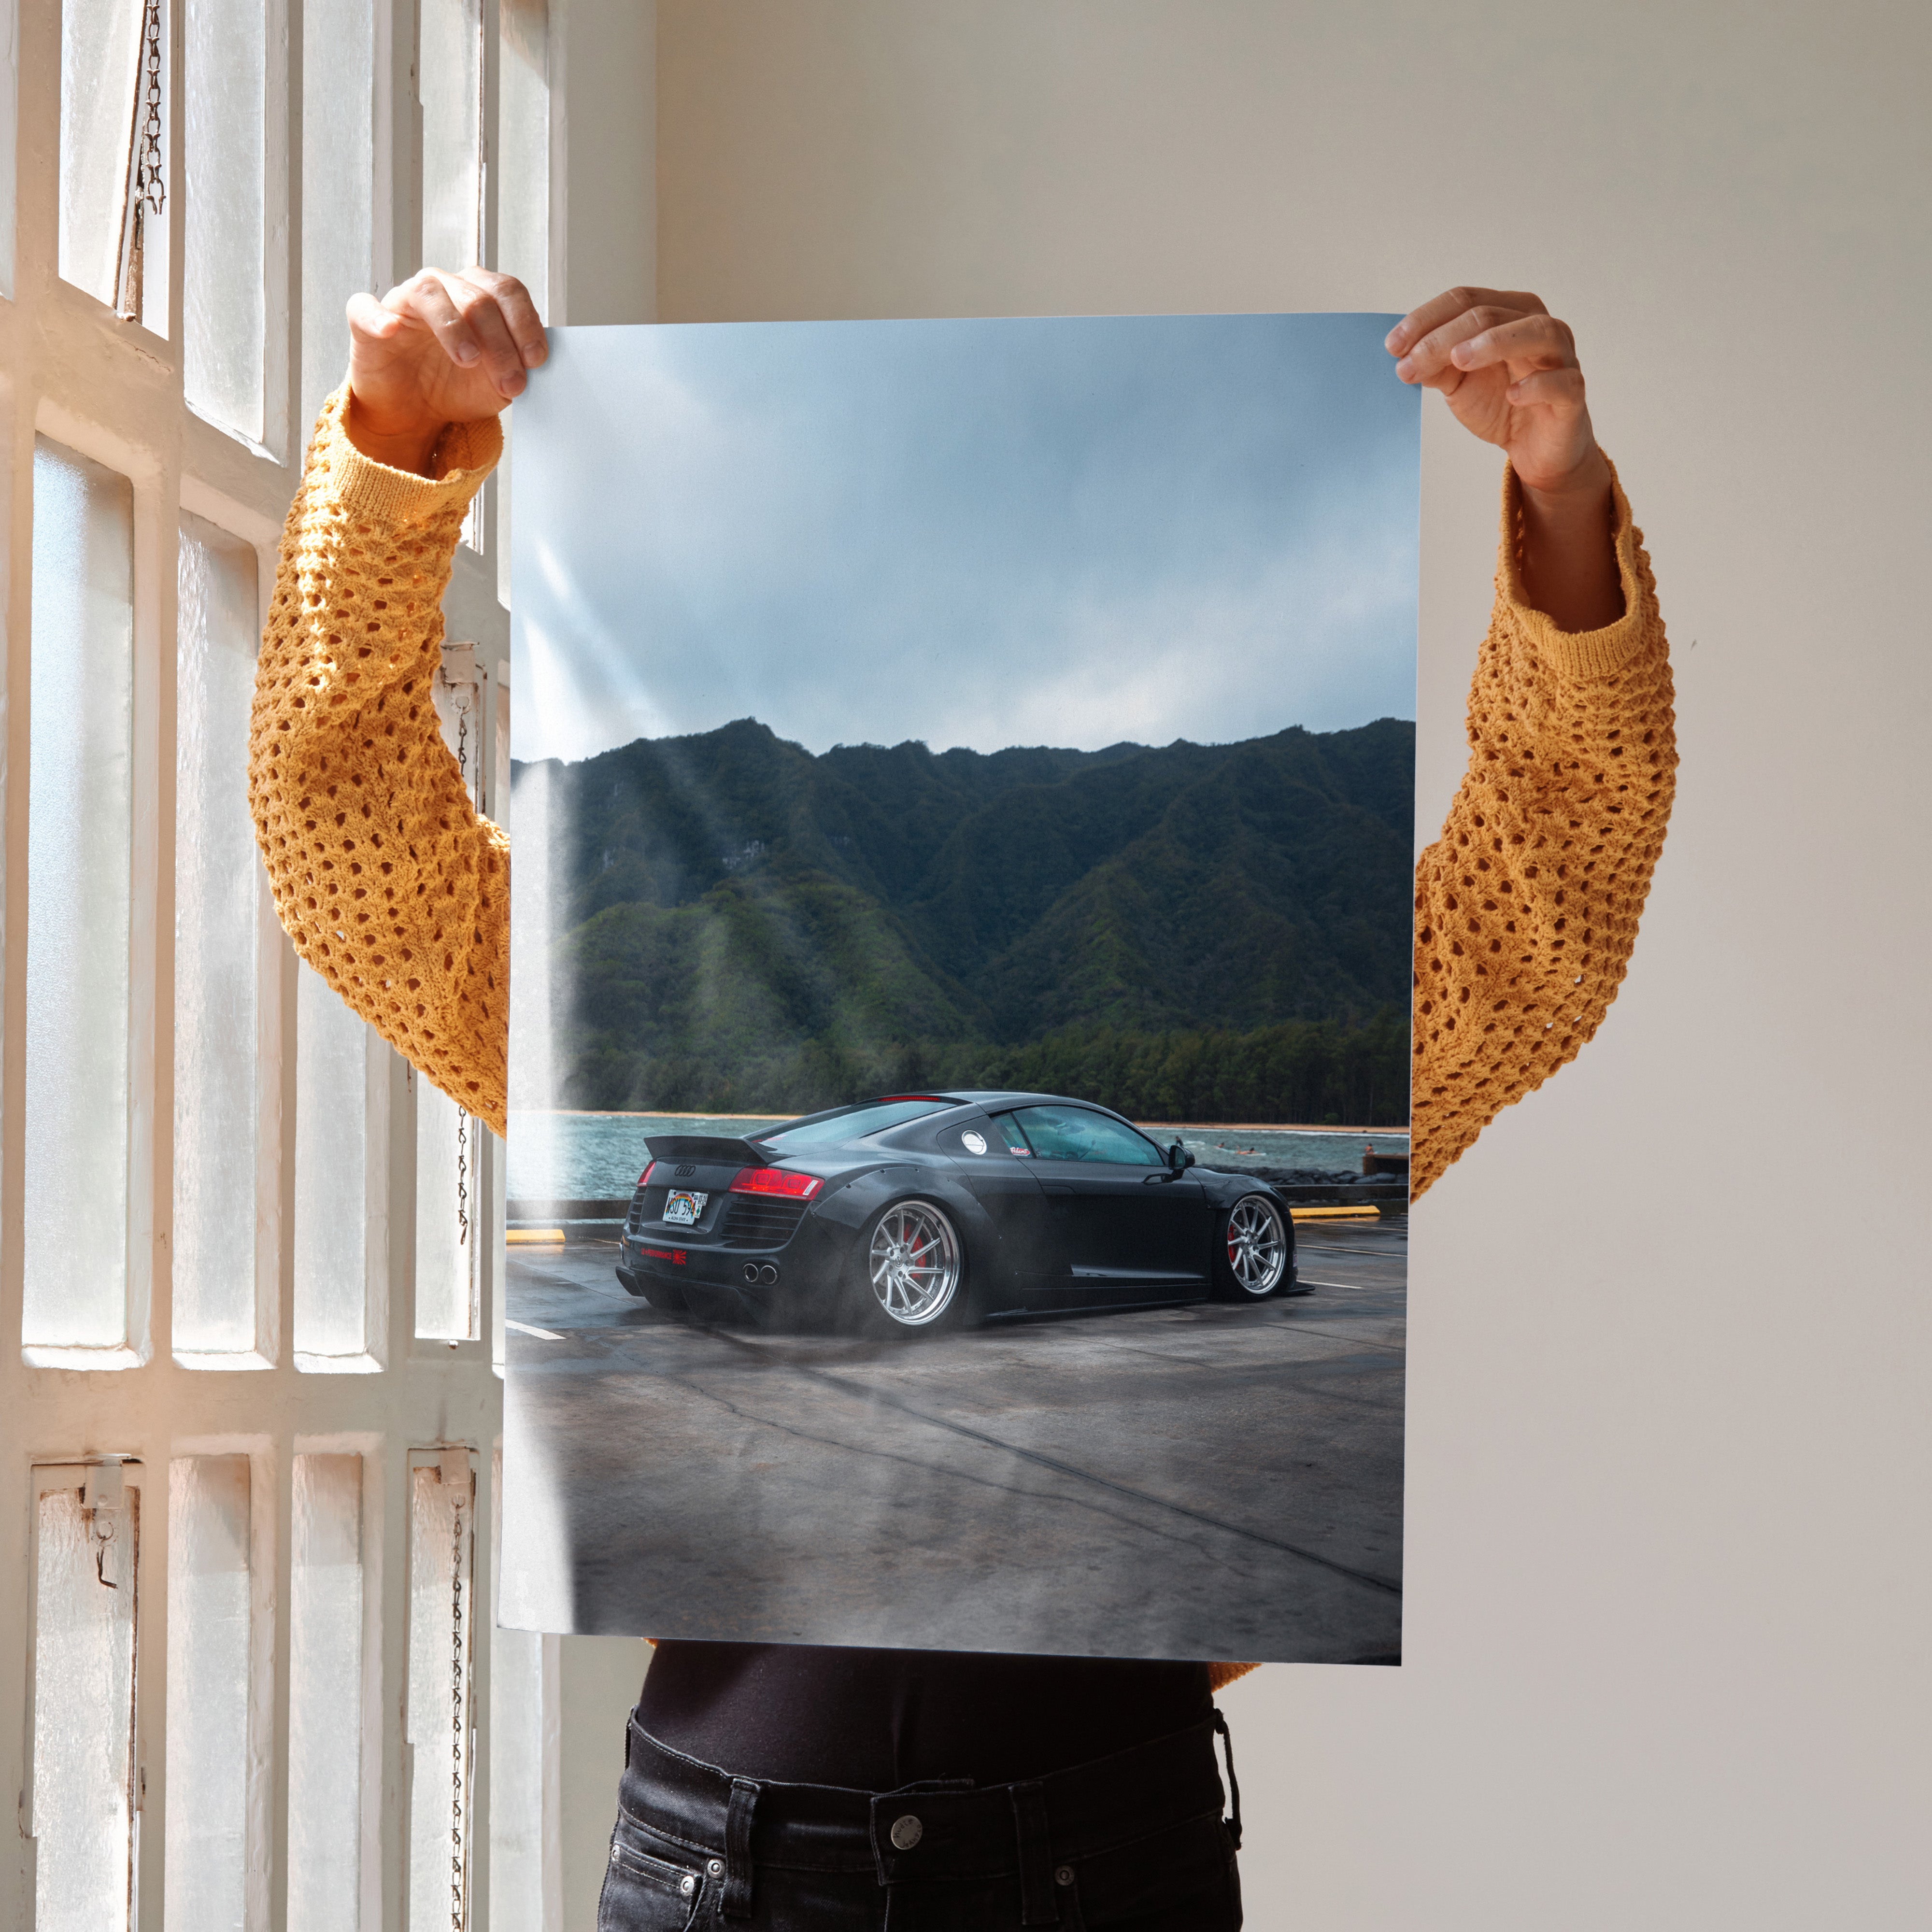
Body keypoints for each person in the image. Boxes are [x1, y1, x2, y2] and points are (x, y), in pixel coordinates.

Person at [249, 271, 1675, 1929]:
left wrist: (1562, 498)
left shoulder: (821, 1116)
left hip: (1056, 1845)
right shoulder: (603, 1030)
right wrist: (391, 447)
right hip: (755, 1858)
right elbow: (346, 840)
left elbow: (1546, 908)